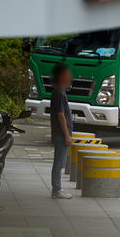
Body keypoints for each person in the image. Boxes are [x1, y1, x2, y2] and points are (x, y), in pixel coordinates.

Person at [50, 63, 74, 199]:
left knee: (58, 163)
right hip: (61, 134)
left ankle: (57, 189)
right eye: (67, 74)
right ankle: (57, 190)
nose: (69, 77)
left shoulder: (58, 92)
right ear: (60, 77)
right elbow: (61, 115)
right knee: (59, 163)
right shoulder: (59, 93)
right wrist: (67, 135)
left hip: (60, 133)